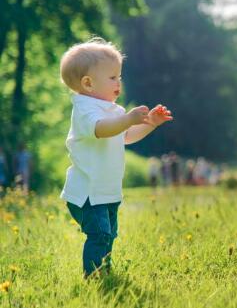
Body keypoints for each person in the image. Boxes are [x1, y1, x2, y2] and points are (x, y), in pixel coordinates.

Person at [59, 37, 173, 277]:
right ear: (88, 84)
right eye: (112, 77)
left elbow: (126, 136)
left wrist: (150, 123)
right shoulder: (84, 109)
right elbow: (101, 129)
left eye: (119, 76)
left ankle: (104, 270)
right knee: (99, 234)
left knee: (109, 234)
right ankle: (94, 277)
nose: (118, 82)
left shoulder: (114, 111)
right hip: (88, 193)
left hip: (107, 191)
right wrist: (126, 120)